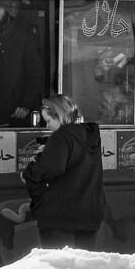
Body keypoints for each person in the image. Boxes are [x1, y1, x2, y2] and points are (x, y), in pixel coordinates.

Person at [21, 94, 105, 249]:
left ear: (58, 115)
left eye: (48, 121)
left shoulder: (61, 136)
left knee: (58, 267)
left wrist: (30, 171)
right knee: (84, 267)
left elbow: (51, 168)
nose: (47, 126)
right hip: (90, 212)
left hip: (60, 213)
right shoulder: (88, 135)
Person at [0, 0, 43, 126]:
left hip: (16, 111)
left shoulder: (25, 37)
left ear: (9, 10)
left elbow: (36, 74)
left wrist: (26, 105)